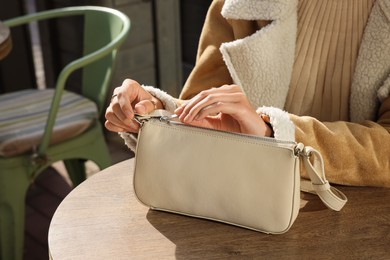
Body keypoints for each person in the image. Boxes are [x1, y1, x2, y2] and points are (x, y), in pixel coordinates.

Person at [105, 0, 390, 187]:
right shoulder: (238, 4)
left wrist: (273, 132)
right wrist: (153, 112)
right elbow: (205, 114)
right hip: (245, 199)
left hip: (362, 214)